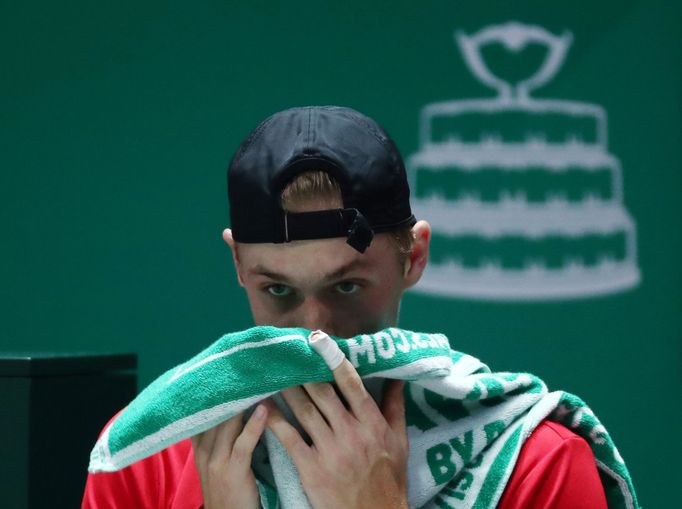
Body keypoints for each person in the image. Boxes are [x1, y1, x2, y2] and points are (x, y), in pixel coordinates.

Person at [82, 106, 608, 508]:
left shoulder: (536, 460)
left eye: (347, 288)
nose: (317, 334)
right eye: (279, 291)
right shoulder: (143, 454)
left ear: (414, 257)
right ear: (239, 265)